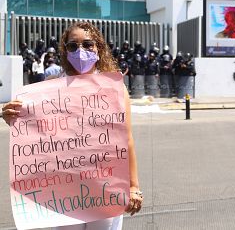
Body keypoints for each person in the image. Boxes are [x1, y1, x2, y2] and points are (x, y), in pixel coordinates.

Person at [1, 21, 143, 229]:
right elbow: (34, 132)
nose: (81, 51)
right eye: (73, 46)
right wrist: (12, 116)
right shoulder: (49, 90)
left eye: (87, 44)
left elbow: (127, 139)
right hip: (64, 189)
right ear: (65, 51)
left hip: (104, 187)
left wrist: (133, 187)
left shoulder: (115, 89)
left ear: (99, 48)